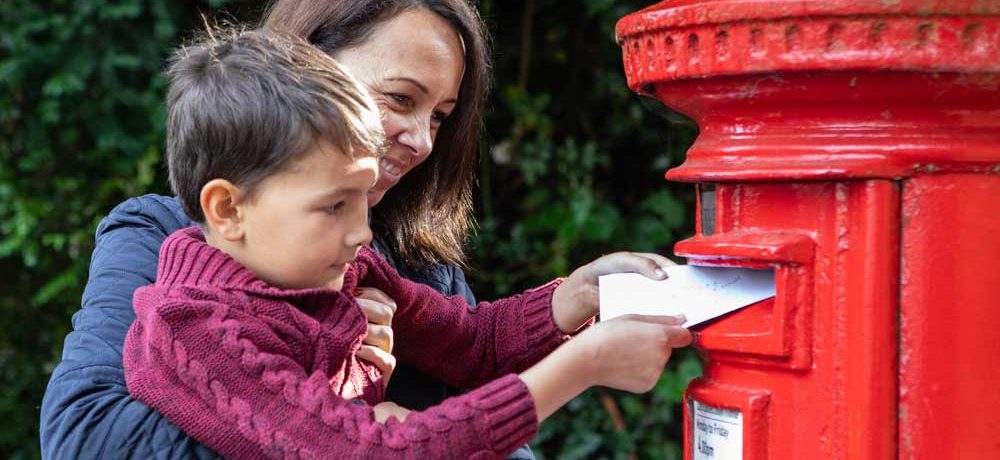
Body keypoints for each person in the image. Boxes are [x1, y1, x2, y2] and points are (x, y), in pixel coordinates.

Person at [39, 1, 690, 458]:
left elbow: (472, 343)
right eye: (401, 98)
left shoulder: (352, 259)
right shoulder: (189, 313)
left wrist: (574, 295)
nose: (422, 141)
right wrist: (585, 364)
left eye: (442, 115)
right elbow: (89, 439)